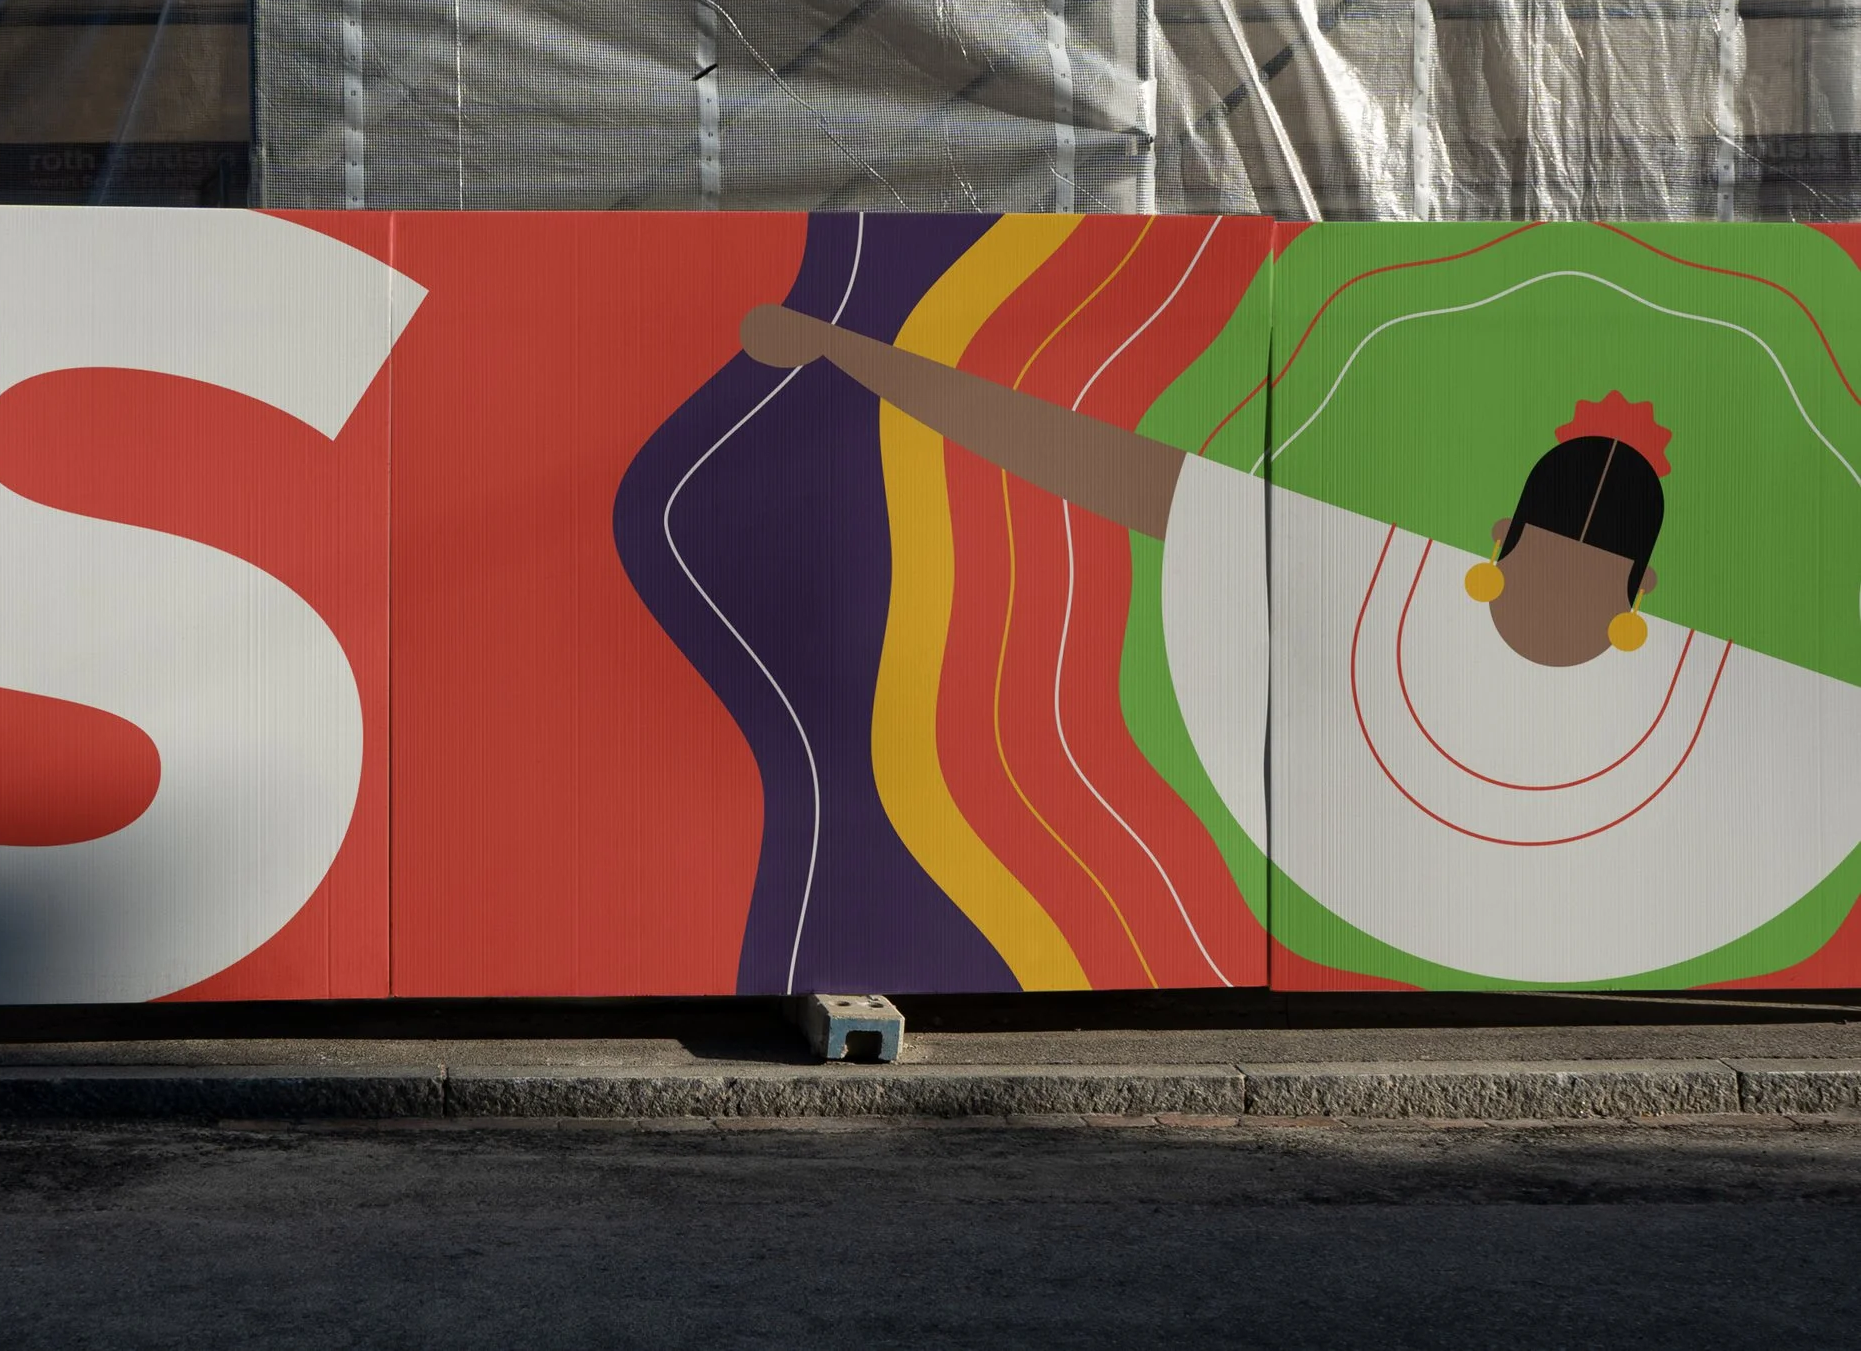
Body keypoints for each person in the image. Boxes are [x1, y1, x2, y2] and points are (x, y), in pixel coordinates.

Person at [741, 302, 1861, 985]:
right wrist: (850, 352)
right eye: (1550, 564)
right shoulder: (1387, 579)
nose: (1553, 593)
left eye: (1570, 572)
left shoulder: (1692, 691)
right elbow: (1086, 458)